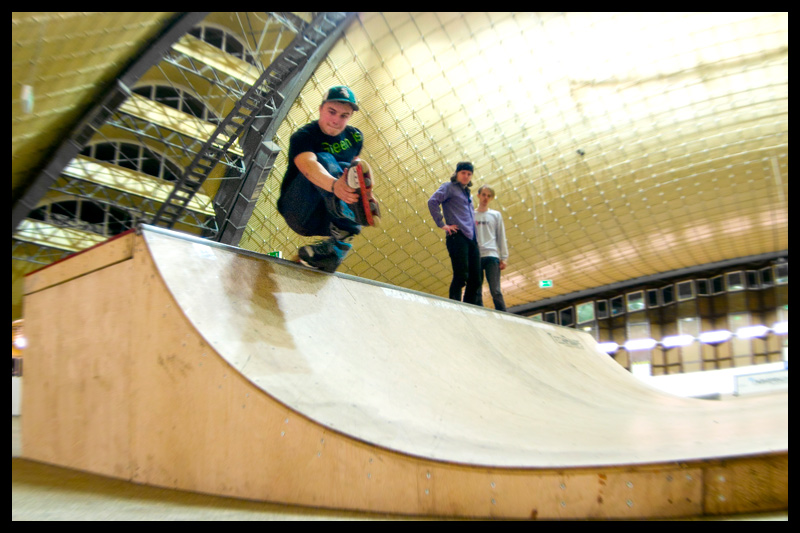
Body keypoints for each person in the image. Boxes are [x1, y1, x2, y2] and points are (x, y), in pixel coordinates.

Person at [277, 86, 380, 272]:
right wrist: (335, 186)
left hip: (327, 220)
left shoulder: (355, 136)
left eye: (344, 116)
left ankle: (337, 248)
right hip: (299, 210)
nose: (336, 120)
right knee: (324, 158)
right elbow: (308, 165)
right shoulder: (304, 136)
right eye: (331, 112)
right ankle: (346, 210)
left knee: (350, 168)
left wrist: (367, 194)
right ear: (321, 109)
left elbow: (356, 171)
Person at [428, 162, 481, 305]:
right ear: (457, 173)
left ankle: (468, 306)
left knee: (476, 278)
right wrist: (442, 224)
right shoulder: (448, 187)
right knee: (461, 274)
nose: (466, 176)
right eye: (463, 173)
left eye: (469, 174)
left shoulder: (467, 192)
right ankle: (454, 305)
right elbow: (432, 201)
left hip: (471, 238)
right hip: (457, 236)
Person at [474, 185, 508, 311]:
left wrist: (503, 257)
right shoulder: (472, 215)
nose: (485, 198)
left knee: (495, 290)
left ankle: (503, 314)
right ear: (478, 196)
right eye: (483, 195)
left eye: (489, 196)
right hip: (476, 255)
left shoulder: (495, 215)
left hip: (492, 256)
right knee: (476, 289)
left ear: (491, 198)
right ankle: (479, 312)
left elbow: (501, 236)